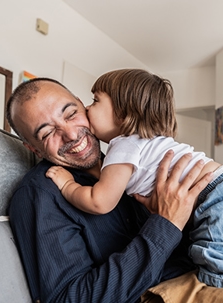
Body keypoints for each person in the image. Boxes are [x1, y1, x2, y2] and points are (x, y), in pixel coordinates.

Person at [6, 77, 211, 303]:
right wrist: (165, 225)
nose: (72, 135)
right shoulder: (39, 195)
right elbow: (69, 299)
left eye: (71, 114)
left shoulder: (132, 166)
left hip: (200, 275)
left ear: (83, 106)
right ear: (33, 148)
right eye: (47, 133)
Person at [46, 69, 223, 288]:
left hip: (213, 197)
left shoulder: (123, 145)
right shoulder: (143, 142)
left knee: (214, 274)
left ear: (122, 113)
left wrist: (67, 185)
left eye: (95, 100)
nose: (88, 108)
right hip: (215, 189)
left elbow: (99, 201)